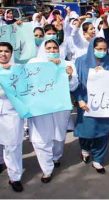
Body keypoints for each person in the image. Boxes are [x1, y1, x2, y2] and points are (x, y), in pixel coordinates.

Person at [28, 39, 78, 183]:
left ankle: (56, 157)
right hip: (40, 109)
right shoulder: (33, 63)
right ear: (43, 50)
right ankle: (47, 170)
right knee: (41, 139)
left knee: (58, 136)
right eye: (48, 48)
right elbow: (27, 81)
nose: (52, 51)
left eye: (55, 48)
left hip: (60, 109)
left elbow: (74, 87)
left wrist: (69, 76)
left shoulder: (67, 64)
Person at [73, 37, 109, 174]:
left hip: (104, 103)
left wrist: (104, 74)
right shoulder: (80, 61)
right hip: (85, 102)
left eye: (104, 49)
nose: (102, 52)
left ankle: (98, 159)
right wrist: (79, 99)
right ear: (92, 48)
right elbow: (76, 82)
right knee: (86, 130)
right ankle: (85, 149)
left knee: (103, 132)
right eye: (99, 49)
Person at [0, 42, 24, 191]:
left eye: (7, 51)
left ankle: (15, 177)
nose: (3, 54)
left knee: (12, 145)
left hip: (11, 112)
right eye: (0, 51)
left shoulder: (18, 70)